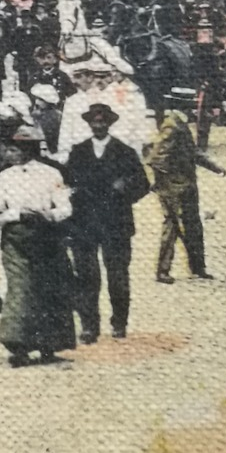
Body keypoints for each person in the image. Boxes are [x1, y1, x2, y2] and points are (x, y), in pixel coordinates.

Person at [0, 127, 77, 367]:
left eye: (14, 148)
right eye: (9, 148)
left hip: (46, 237)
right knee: (20, 288)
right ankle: (18, 346)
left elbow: (65, 208)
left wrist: (48, 214)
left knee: (47, 289)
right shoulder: (6, 177)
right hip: (15, 238)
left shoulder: (51, 174)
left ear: (29, 150)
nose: (9, 153)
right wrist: (16, 214)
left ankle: (48, 346)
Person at [65, 104, 150, 342]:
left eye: (103, 122)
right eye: (94, 122)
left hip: (116, 224)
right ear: (89, 124)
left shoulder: (124, 151)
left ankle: (119, 323)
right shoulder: (78, 152)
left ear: (109, 124)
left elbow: (143, 184)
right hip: (84, 224)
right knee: (86, 277)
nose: (99, 126)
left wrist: (125, 188)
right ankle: (90, 326)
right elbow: (66, 184)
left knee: (118, 277)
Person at [147, 89, 225, 284]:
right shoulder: (172, 124)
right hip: (176, 186)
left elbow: (192, 153)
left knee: (193, 225)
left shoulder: (178, 122)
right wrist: (168, 183)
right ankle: (163, 270)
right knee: (172, 226)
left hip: (186, 184)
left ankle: (198, 267)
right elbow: (156, 158)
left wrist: (215, 167)